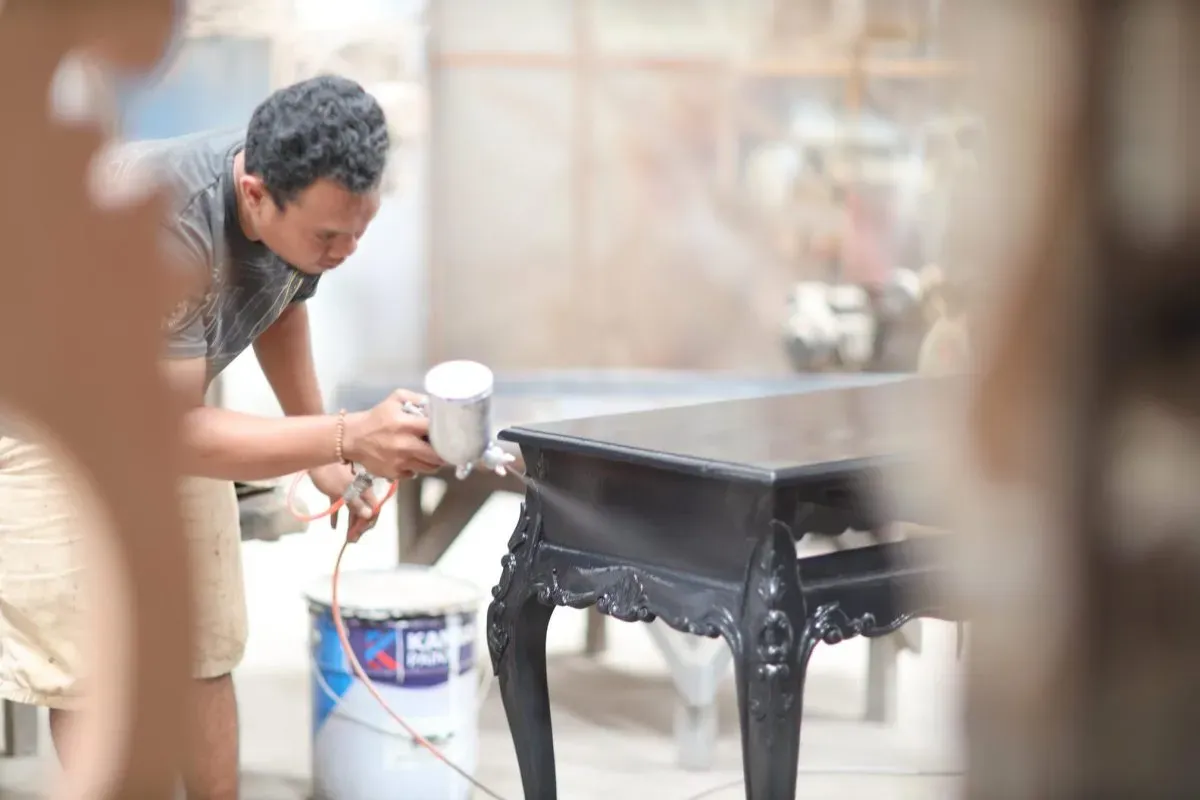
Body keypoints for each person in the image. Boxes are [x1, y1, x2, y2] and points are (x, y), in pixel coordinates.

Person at [0, 74, 443, 798]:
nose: (345, 251)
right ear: (256, 193)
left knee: (202, 643)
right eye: (331, 235)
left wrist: (330, 456)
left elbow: (281, 297)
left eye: (359, 231)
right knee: (95, 669)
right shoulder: (161, 225)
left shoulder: (301, 214)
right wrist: (346, 436)